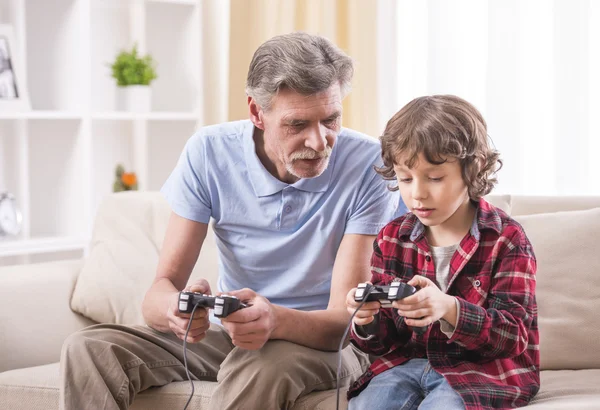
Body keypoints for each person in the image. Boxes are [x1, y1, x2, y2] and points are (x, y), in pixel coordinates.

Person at [59, 32, 406, 410]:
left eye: (331, 120)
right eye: (297, 124)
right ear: (257, 113)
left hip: (324, 344)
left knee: (259, 363)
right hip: (236, 333)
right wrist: (177, 311)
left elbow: (347, 320)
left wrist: (274, 321)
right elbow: (157, 294)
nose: (320, 141)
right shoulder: (209, 152)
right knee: (89, 348)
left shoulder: (369, 165)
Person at [345, 95, 540, 410]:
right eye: (405, 178)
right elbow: (384, 342)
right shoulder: (393, 237)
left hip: (479, 371)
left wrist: (449, 308)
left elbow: (514, 337)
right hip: (407, 365)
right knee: (366, 406)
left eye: (434, 178)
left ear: (473, 168)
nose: (417, 193)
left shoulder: (506, 239)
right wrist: (364, 320)